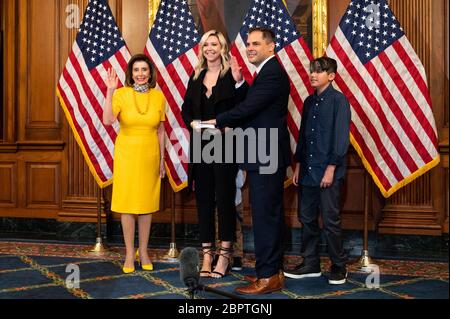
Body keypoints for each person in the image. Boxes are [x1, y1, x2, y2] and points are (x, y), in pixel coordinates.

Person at [204, 27, 291, 294]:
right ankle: (270, 274)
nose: (250, 47)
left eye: (256, 43)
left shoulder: (272, 73)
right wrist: (241, 84)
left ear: (271, 47)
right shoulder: (265, 73)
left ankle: (267, 277)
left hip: (265, 156)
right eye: (248, 44)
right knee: (268, 215)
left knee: (266, 216)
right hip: (261, 155)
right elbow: (254, 105)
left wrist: (217, 120)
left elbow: (249, 109)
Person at [284, 57, 351, 285]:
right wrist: (299, 166)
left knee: (330, 220)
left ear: (331, 76)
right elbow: (303, 137)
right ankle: (310, 262)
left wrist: (331, 169)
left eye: (319, 71)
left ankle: (339, 265)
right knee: (307, 218)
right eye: (311, 71)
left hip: (328, 172)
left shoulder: (339, 101)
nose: (313, 75)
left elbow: (341, 139)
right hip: (307, 172)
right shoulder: (308, 102)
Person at [181, 30, 243, 279]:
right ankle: (207, 254)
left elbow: (243, 107)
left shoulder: (231, 76)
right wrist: (192, 124)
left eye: (214, 44)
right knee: (204, 201)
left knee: (225, 201)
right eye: (206, 44)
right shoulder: (196, 76)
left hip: (225, 146)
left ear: (223, 48)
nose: (209, 48)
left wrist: (239, 84)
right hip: (201, 146)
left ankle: (225, 255)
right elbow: (186, 109)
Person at [102, 54, 166, 274]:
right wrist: (110, 90)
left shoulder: (159, 97)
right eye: (136, 70)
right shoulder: (121, 93)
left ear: (150, 73)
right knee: (128, 205)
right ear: (131, 74)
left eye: (144, 70)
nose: (140, 74)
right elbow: (108, 120)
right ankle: (129, 253)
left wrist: (162, 161)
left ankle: (144, 251)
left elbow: (161, 130)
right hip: (127, 154)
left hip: (150, 154)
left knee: (147, 205)